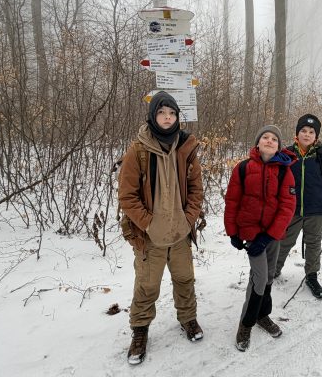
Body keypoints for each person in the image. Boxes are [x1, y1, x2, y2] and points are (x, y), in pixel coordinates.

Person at [117, 92, 204, 365]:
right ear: (153, 116)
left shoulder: (186, 147)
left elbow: (196, 190)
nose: (167, 118)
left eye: (172, 113)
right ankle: (140, 330)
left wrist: (188, 219)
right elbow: (127, 196)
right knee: (147, 286)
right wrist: (148, 223)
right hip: (150, 237)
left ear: (177, 117)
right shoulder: (138, 151)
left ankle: (188, 319)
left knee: (185, 280)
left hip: (180, 234)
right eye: (162, 113)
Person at [224, 125, 297, 352]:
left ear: (279, 146)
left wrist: (269, 236)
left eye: (274, 139)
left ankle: (262, 315)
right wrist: (233, 232)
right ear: (258, 142)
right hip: (251, 234)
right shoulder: (243, 168)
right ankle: (246, 324)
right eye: (265, 137)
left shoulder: (285, 171)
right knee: (260, 277)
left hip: (272, 235)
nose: (269, 140)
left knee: (268, 277)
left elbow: (287, 207)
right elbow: (232, 201)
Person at [274, 114, 322, 299]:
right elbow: (276, 181)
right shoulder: (287, 154)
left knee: (313, 242)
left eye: (311, 132)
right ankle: (273, 270)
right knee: (284, 241)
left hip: (316, 209)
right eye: (303, 131)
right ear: (297, 133)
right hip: (291, 209)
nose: (307, 134)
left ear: (316, 136)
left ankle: (312, 276)